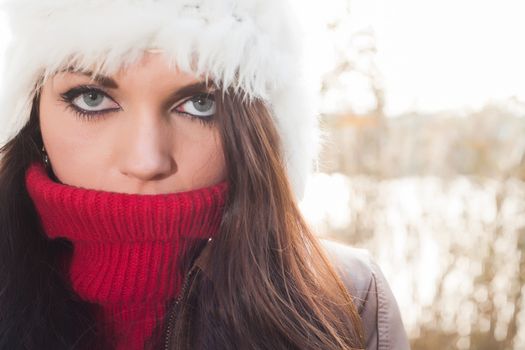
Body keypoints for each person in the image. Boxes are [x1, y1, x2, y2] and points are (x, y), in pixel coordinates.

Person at [0, 0, 410, 349]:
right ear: (32, 113)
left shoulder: (346, 299)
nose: (146, 160)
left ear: (252, 130)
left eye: (199, 104)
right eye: (92, 98)